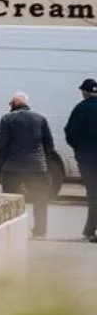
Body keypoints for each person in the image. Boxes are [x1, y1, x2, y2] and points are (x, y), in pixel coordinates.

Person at [0, 91, 60, 238]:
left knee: (10, 200)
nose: (9, 105)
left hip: (13, 167)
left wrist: (6, 157)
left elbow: (1, 142)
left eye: (11, 103)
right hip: (37, 167)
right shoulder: (40, 119)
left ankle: (10, 228)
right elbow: (49, 144)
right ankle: (40, 230)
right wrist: (44, 160)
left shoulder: (7, 119)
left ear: (15, 104)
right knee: (40, 199)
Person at [66, 77, 97, 241]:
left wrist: (79, 149)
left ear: (85, 92)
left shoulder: (80, 109)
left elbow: (70, 133)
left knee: (93, 194)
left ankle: (90, 230)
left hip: (87, 159)